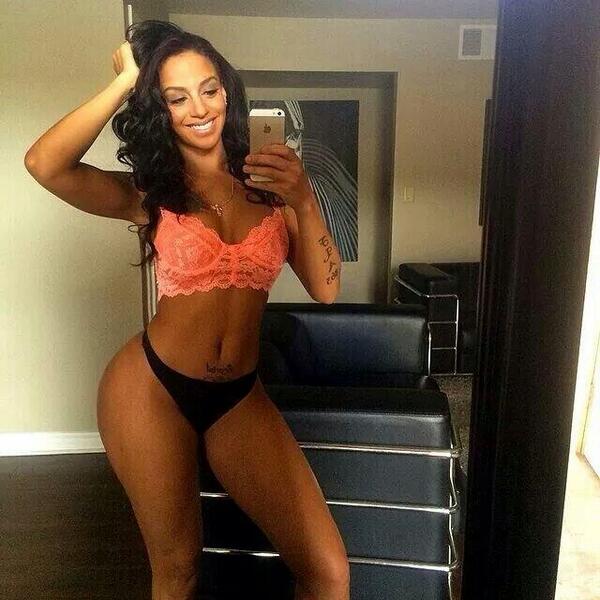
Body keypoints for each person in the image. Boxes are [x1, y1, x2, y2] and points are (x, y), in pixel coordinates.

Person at [24, 19, 346, 600]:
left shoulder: (273, 189)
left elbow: (326, 289)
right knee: (177, 571)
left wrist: (303, 197)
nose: (199, 108)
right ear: (160, 109)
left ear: (227, 92)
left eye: (209, 89)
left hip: (239, 397)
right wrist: (125, 81)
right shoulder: (150, 194)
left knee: (327, 572)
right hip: (150, 390)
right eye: (176, 97)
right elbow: (45, 164)